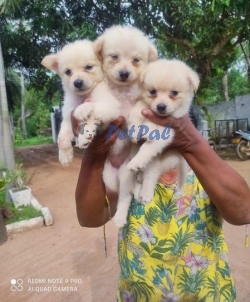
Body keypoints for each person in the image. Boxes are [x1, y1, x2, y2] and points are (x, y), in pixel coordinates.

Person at [73, 110, 250, 302]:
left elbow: (243, 213)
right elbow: (89, 218)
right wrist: (94, 153)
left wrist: (191, 143)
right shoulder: (129, 171)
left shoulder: (204, 170)